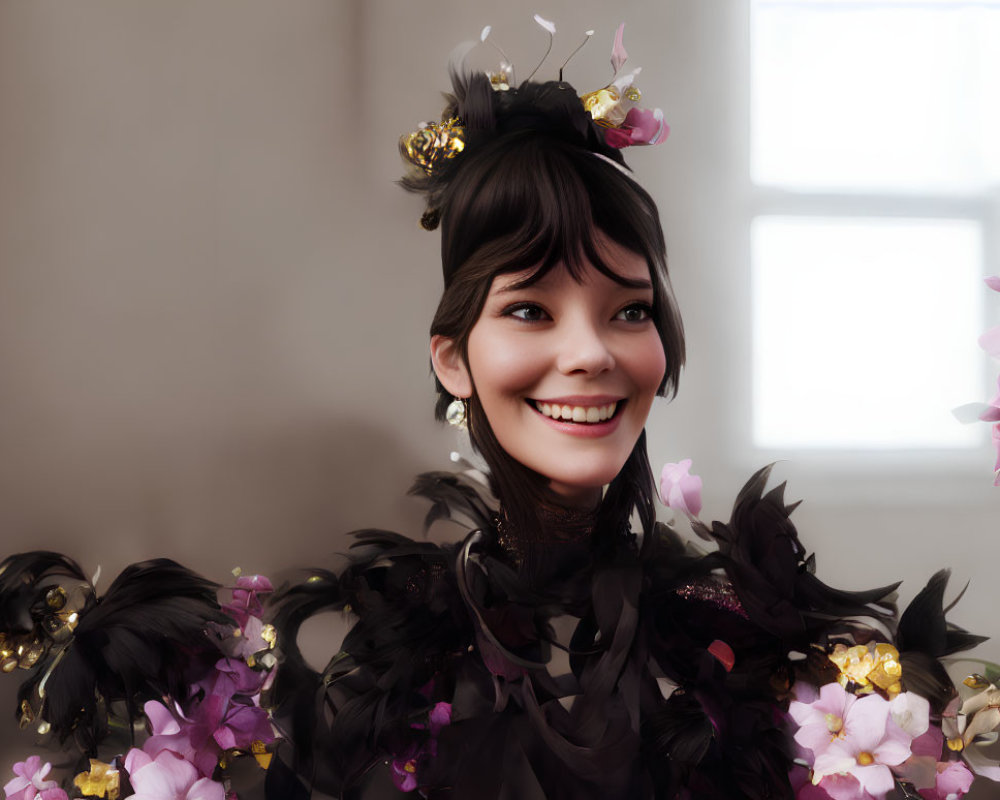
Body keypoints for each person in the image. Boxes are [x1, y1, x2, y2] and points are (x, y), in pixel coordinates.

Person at [0, 22, 996, 800]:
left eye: (630, 310)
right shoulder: (333, 657)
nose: (591, 351)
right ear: (453, 357)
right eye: (529, 307)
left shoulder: (761, 660)